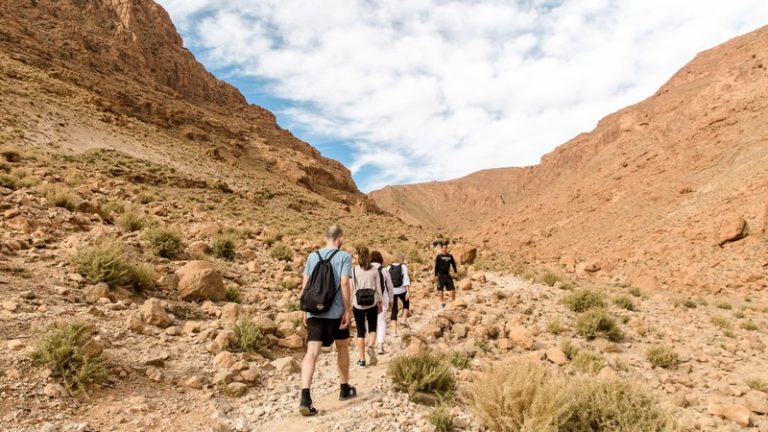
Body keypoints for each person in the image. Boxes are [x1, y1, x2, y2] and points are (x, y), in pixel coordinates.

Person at [298, 225, 356, 417]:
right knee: (342, 347)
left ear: (326, 238)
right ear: (340, 238)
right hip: (336, 313)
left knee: (312, 352)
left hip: (314, 311)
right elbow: (345, 283)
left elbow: (305, 284)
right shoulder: (344, 257)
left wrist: (304, 308)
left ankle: (305, 397)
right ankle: (344, 388)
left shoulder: (312, 256)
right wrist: (347, 310)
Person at [351, 246, 383, 368]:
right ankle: (370, 346)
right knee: (372, 328)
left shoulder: (354, 270)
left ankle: (362, 360)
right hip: (372, 303)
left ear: (358, 256)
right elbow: (378, 288)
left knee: (360, 332)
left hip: (357, 304)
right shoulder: (374, 270)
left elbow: (352, 288)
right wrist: (380, 302)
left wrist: (349, 304)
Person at [371, 250, 394, 355]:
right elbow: (389, 286)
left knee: (370, 321)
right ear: (380, 259)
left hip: (369, 299)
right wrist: (391, 300)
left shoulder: (366, 268)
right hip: (382, 298)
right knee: (381, 320)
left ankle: (370, 344)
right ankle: (380, 345)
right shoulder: (384, 269)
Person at [388, 253, 411, 337]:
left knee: (394, 310)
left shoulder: (388, 267)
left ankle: (394, 332)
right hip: (402, 290)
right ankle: (404, 319)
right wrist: (408, 291)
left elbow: (386, 281)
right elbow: (406, 279)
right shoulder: (403, 267)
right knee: (406, 303)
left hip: (392, 291)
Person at [434, 241, 457, 309]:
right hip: (440, 275)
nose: (445, 249)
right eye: (443, 248)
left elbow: (453, 264)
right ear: (441, 248)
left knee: (452, 288)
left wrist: (455, 272)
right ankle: (442, 303)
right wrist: (435, 275)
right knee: (440, 289)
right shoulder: (439, 256)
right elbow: (436, 266)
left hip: (447, 275)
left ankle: (453, 302)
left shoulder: (450, 256)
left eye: (446, 247)